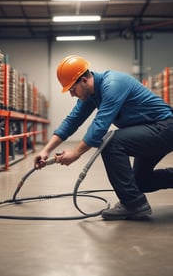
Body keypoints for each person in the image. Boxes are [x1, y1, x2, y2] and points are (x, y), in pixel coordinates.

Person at [34, 54, 173, 220]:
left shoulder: (113, 84)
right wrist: (46, 150)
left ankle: (133, 204)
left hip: (165, 127)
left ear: (84, 80)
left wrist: (76, 152)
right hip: (153, 130)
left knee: (111, 142)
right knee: (141, 182)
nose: (71, 94)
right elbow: (72, 121)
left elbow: (100, 126)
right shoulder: (92, 94)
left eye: (72, 89)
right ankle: (134, 198)